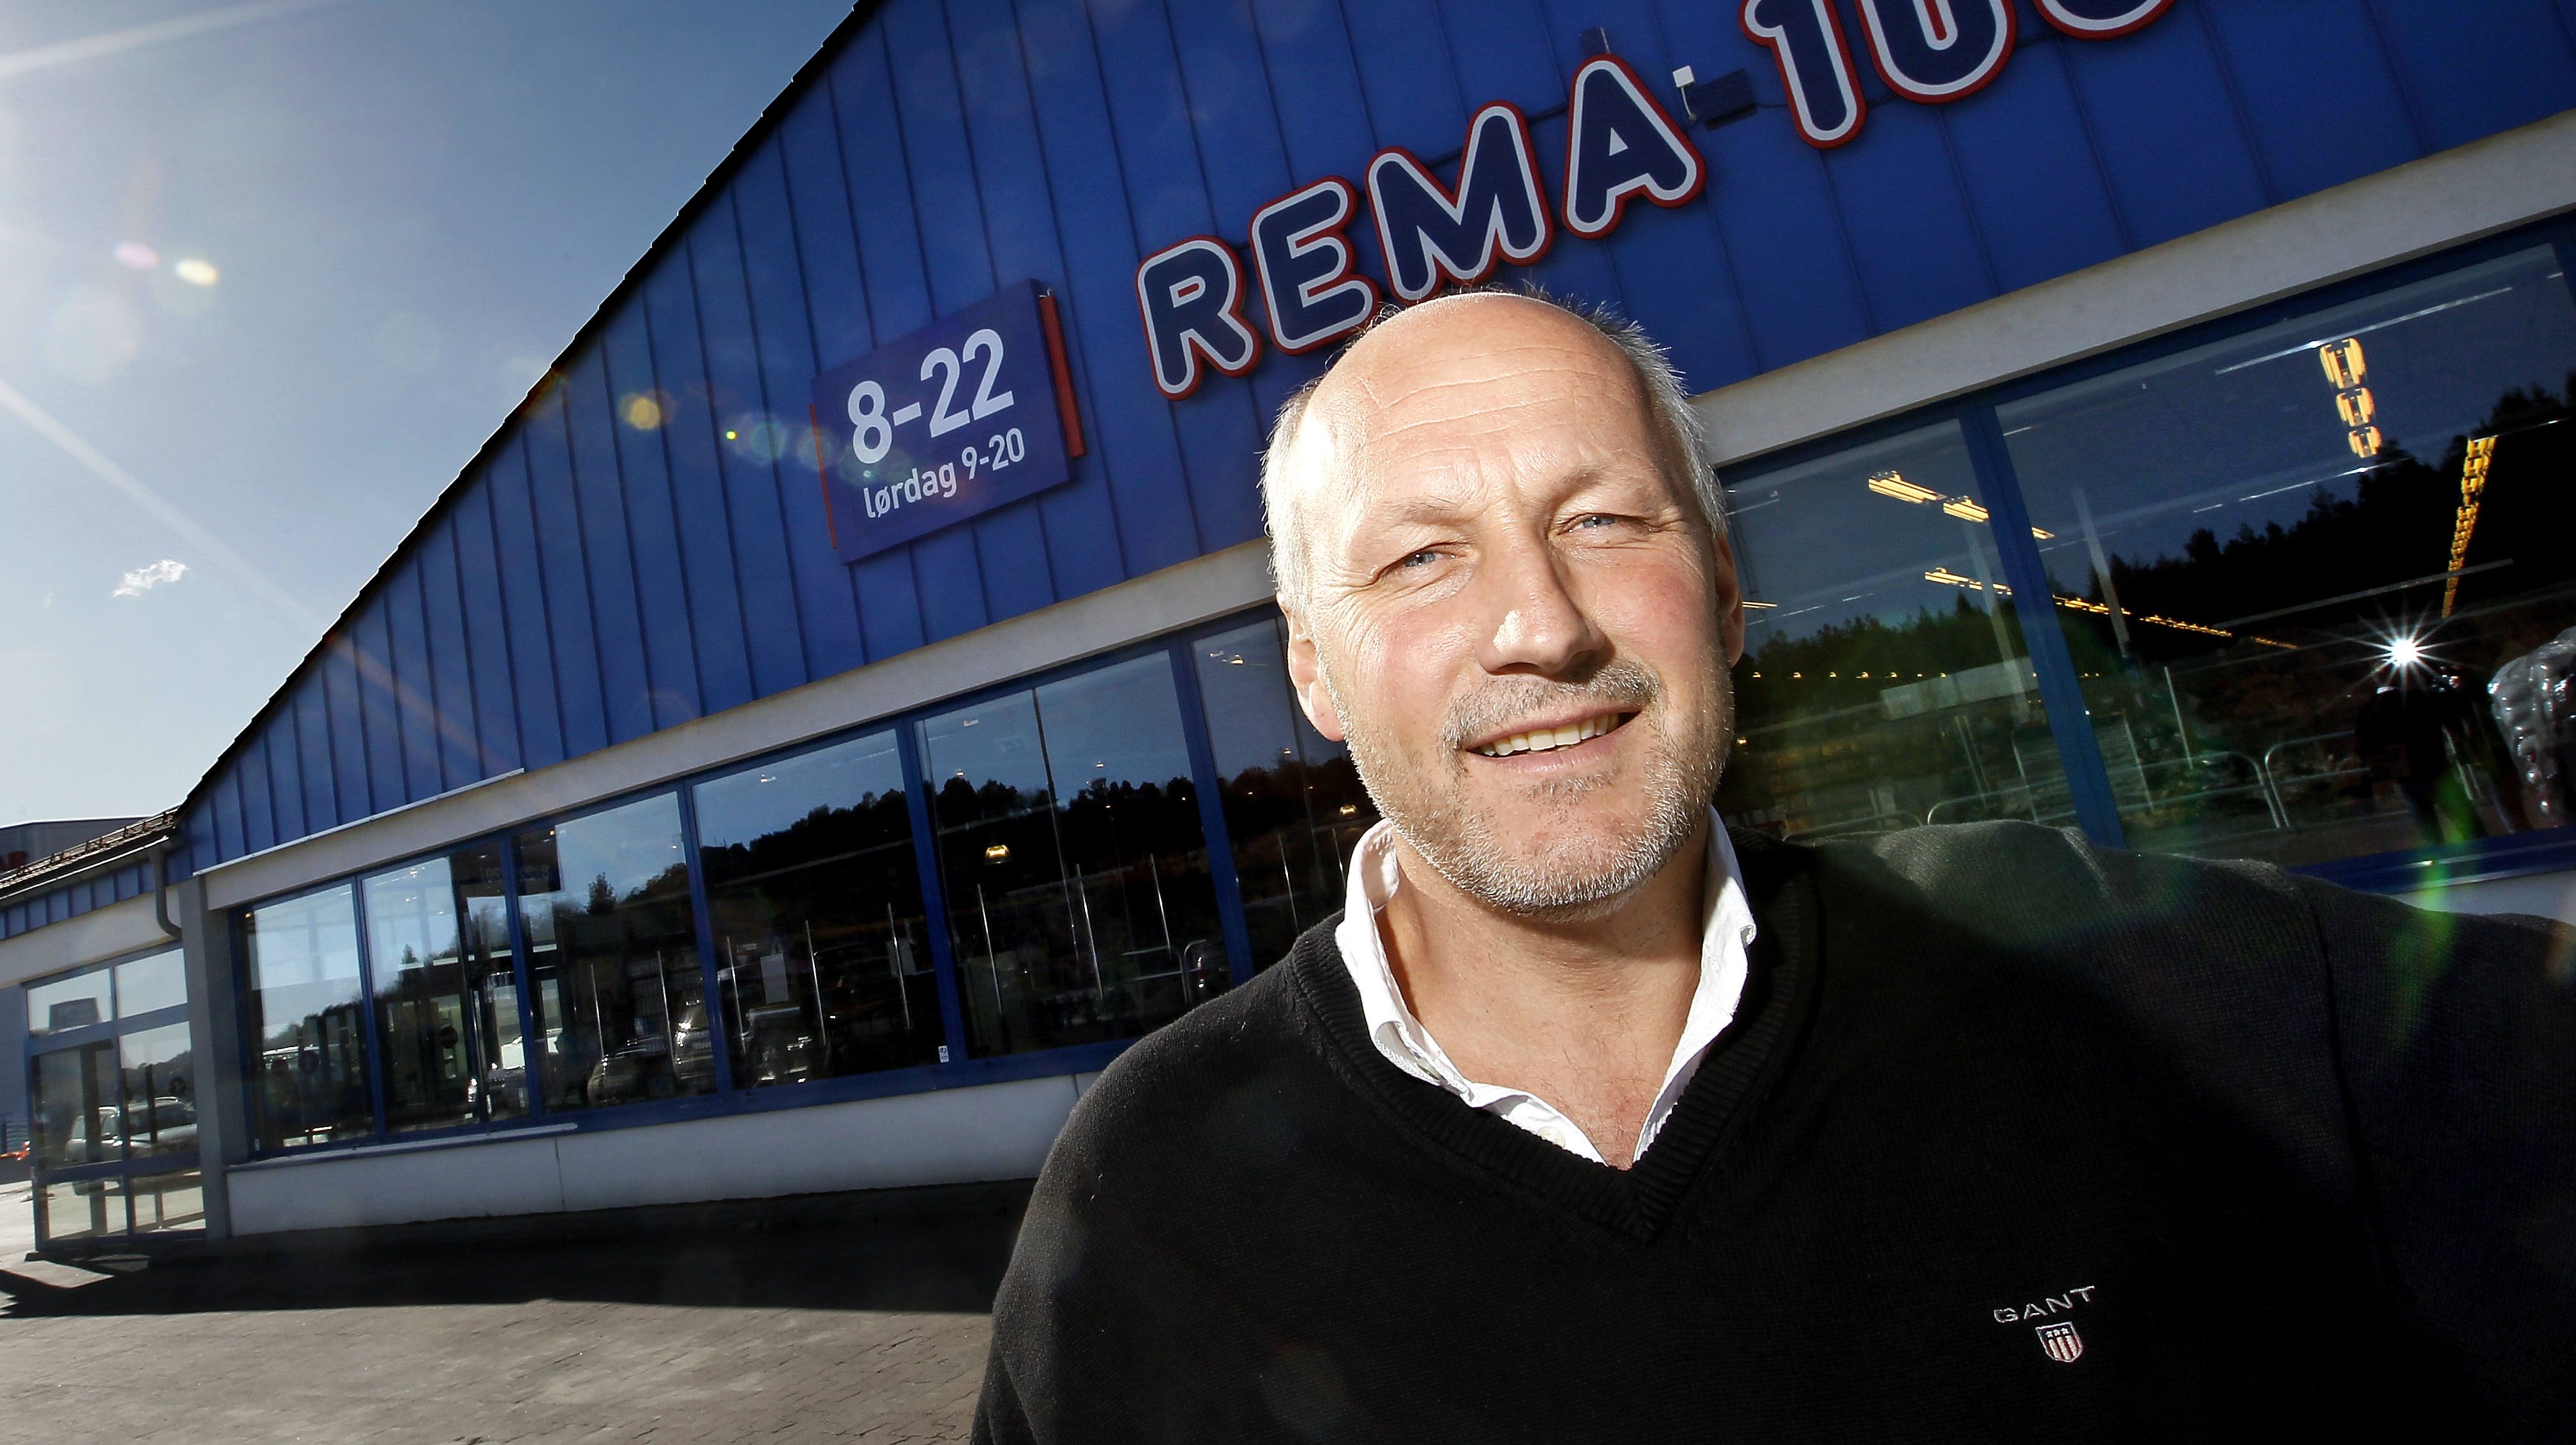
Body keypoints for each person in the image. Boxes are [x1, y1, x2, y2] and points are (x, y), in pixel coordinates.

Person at [972, 291, 2576, 1444]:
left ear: (1726, 597)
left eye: (1604, 522)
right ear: (1313, 670)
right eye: (1421, 557)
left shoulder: (2098, 965)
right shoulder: (1147, 1203)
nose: (1540, 624)